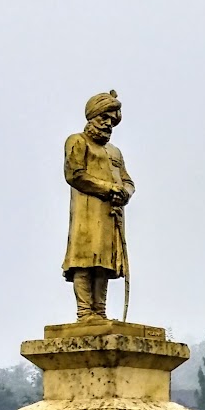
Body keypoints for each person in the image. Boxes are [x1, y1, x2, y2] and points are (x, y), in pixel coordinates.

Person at [62, 89, 134, 321]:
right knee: (83, 260)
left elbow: (128, 181)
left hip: (111, 213)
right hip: (86, 212)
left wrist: (124, 193)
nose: (108, 124)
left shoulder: (115, 152)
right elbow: (75, 175)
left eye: (112, 120)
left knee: (104, 262)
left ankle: (99, 311)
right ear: (92, 117)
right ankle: (84, 312)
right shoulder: (77, 141)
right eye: (104, 118)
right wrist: (108, 188)